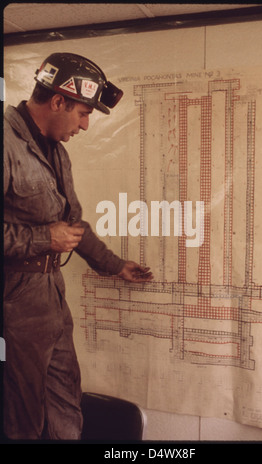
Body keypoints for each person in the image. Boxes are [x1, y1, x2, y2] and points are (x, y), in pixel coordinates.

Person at [3, 52, 153, 440]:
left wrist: (114, 264)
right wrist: (42, 239)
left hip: (51, 295)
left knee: (65, 405)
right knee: (21, 415)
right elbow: (53, 234)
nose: (86, 125)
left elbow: (73, 226)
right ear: (58, 101)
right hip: (13, 300)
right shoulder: (4, 142)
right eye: (83, 113)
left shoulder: (57, 151)